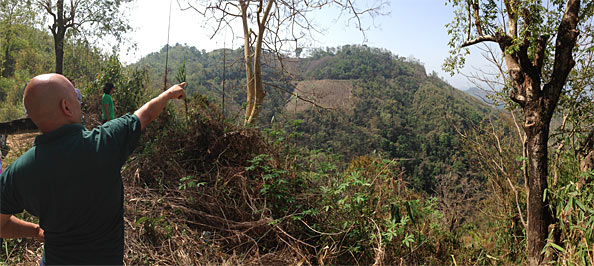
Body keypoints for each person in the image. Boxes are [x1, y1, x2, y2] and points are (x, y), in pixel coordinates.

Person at [0, 73, 186, 265]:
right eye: (77, 99)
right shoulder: (105, 142)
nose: (80, 104)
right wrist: (169, 94)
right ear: (66, 106)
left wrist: (34, 231)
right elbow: (146, 114)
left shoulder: (19, 172)